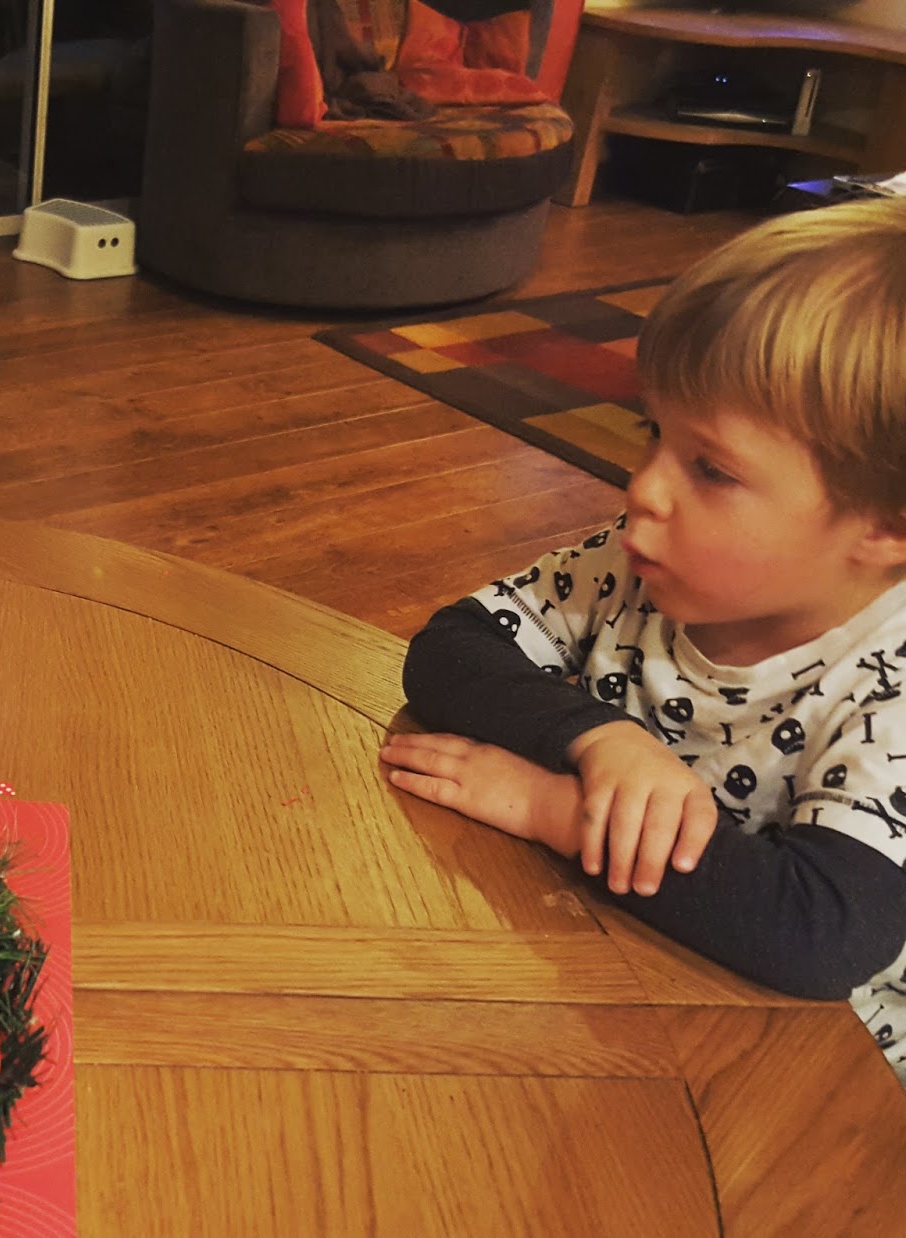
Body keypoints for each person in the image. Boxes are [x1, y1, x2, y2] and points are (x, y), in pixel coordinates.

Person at [380, 200, 906, 1084]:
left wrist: (554, 809)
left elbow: (818, 933)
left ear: (887, 527)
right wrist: (602, 739)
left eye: (712, 469)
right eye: (652, 431)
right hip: (618, 964)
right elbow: (452, 648)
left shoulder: (887, 687)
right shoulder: (642, 567)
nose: (644, 490)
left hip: (820, 1072)